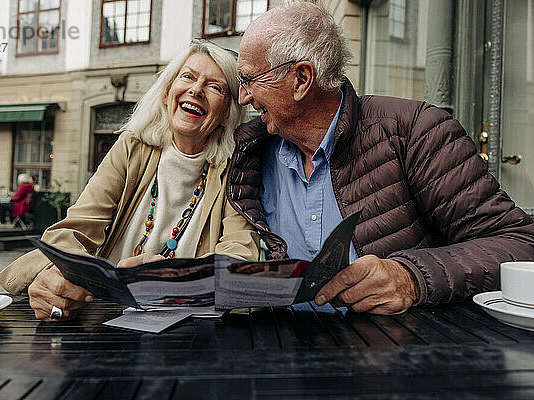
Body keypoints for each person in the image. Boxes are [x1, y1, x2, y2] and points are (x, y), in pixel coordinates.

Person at [227, 1, 534, 315]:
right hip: (282, 344)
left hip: (390, 350)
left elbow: (520, 246)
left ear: (302, 79)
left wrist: (411, 277)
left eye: (250, 80)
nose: (244, 97)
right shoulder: (252, 151)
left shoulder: (415, 131)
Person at [0, 39, 260, 321]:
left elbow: (239, 254)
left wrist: (172, 279)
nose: (196, 90)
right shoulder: (131, 147)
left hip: (188, 327)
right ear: (167, 92)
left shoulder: (237, 166)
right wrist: (60, 277)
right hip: (101, 314)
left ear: (226, 114)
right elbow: (73, 232)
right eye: (188, 77)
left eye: (215, 86)